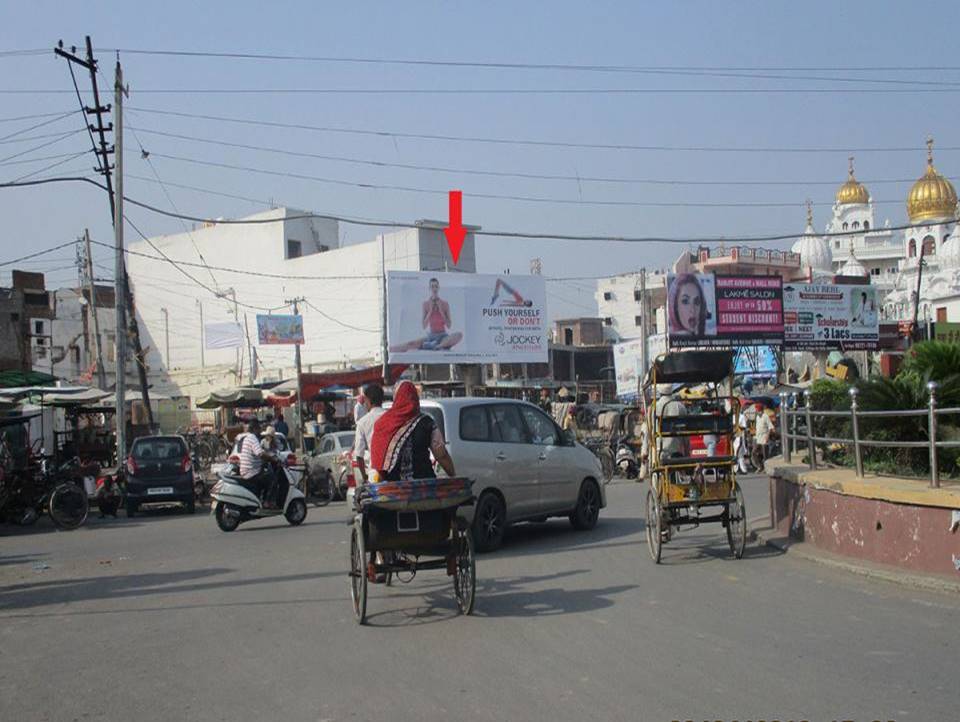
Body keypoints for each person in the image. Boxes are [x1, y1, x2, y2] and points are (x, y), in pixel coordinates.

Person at [370, 381, 455, 482]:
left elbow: (379, 461)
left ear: (396, 399)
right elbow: (441, 455)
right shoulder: (427, 422)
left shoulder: (383, 424)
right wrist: (452, 475)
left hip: (394, 489)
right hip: (424, 486)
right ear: (416, 398)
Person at [390, 277, 464, 352]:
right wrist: (430, 311)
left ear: (438, 288)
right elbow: (424, 326)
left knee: (459, 335)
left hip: (443, 337)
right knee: (410, 343)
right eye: (432, 286)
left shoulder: (445, 304)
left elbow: (449, 325)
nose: (434, 288)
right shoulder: (425, 304)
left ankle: (437, 346)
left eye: (436, 286)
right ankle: (389, 350)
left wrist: (441, 311)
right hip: (431, 336)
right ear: (429, 288)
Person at [237, 419, 278, 507]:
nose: (260, 431)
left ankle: (260, 498)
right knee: (273, 479)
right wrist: (271, 458)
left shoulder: (247, 438)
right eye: (259, 428)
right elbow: (260, 453)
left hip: (249, 470)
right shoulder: (253, 438)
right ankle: (267, 502)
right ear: (255, 429)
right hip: (251, 472)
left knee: (265, 474)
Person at [353, 382, 387, 483]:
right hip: (394, 473)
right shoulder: (391, 417)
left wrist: (364, 476)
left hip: (375, 474)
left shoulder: (363, 422)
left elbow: (359, 455)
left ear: (368, 400)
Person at [752, 402, 774, 472]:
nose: (757, 412)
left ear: (761, 410)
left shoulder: (765, 416)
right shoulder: (757, 417)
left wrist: (767, 436)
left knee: (765, 454)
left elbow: (770, 427)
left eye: (758, 410)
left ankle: (765, 468)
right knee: (754, 452)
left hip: (764, 437)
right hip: (758, 438)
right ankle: (759, 466)